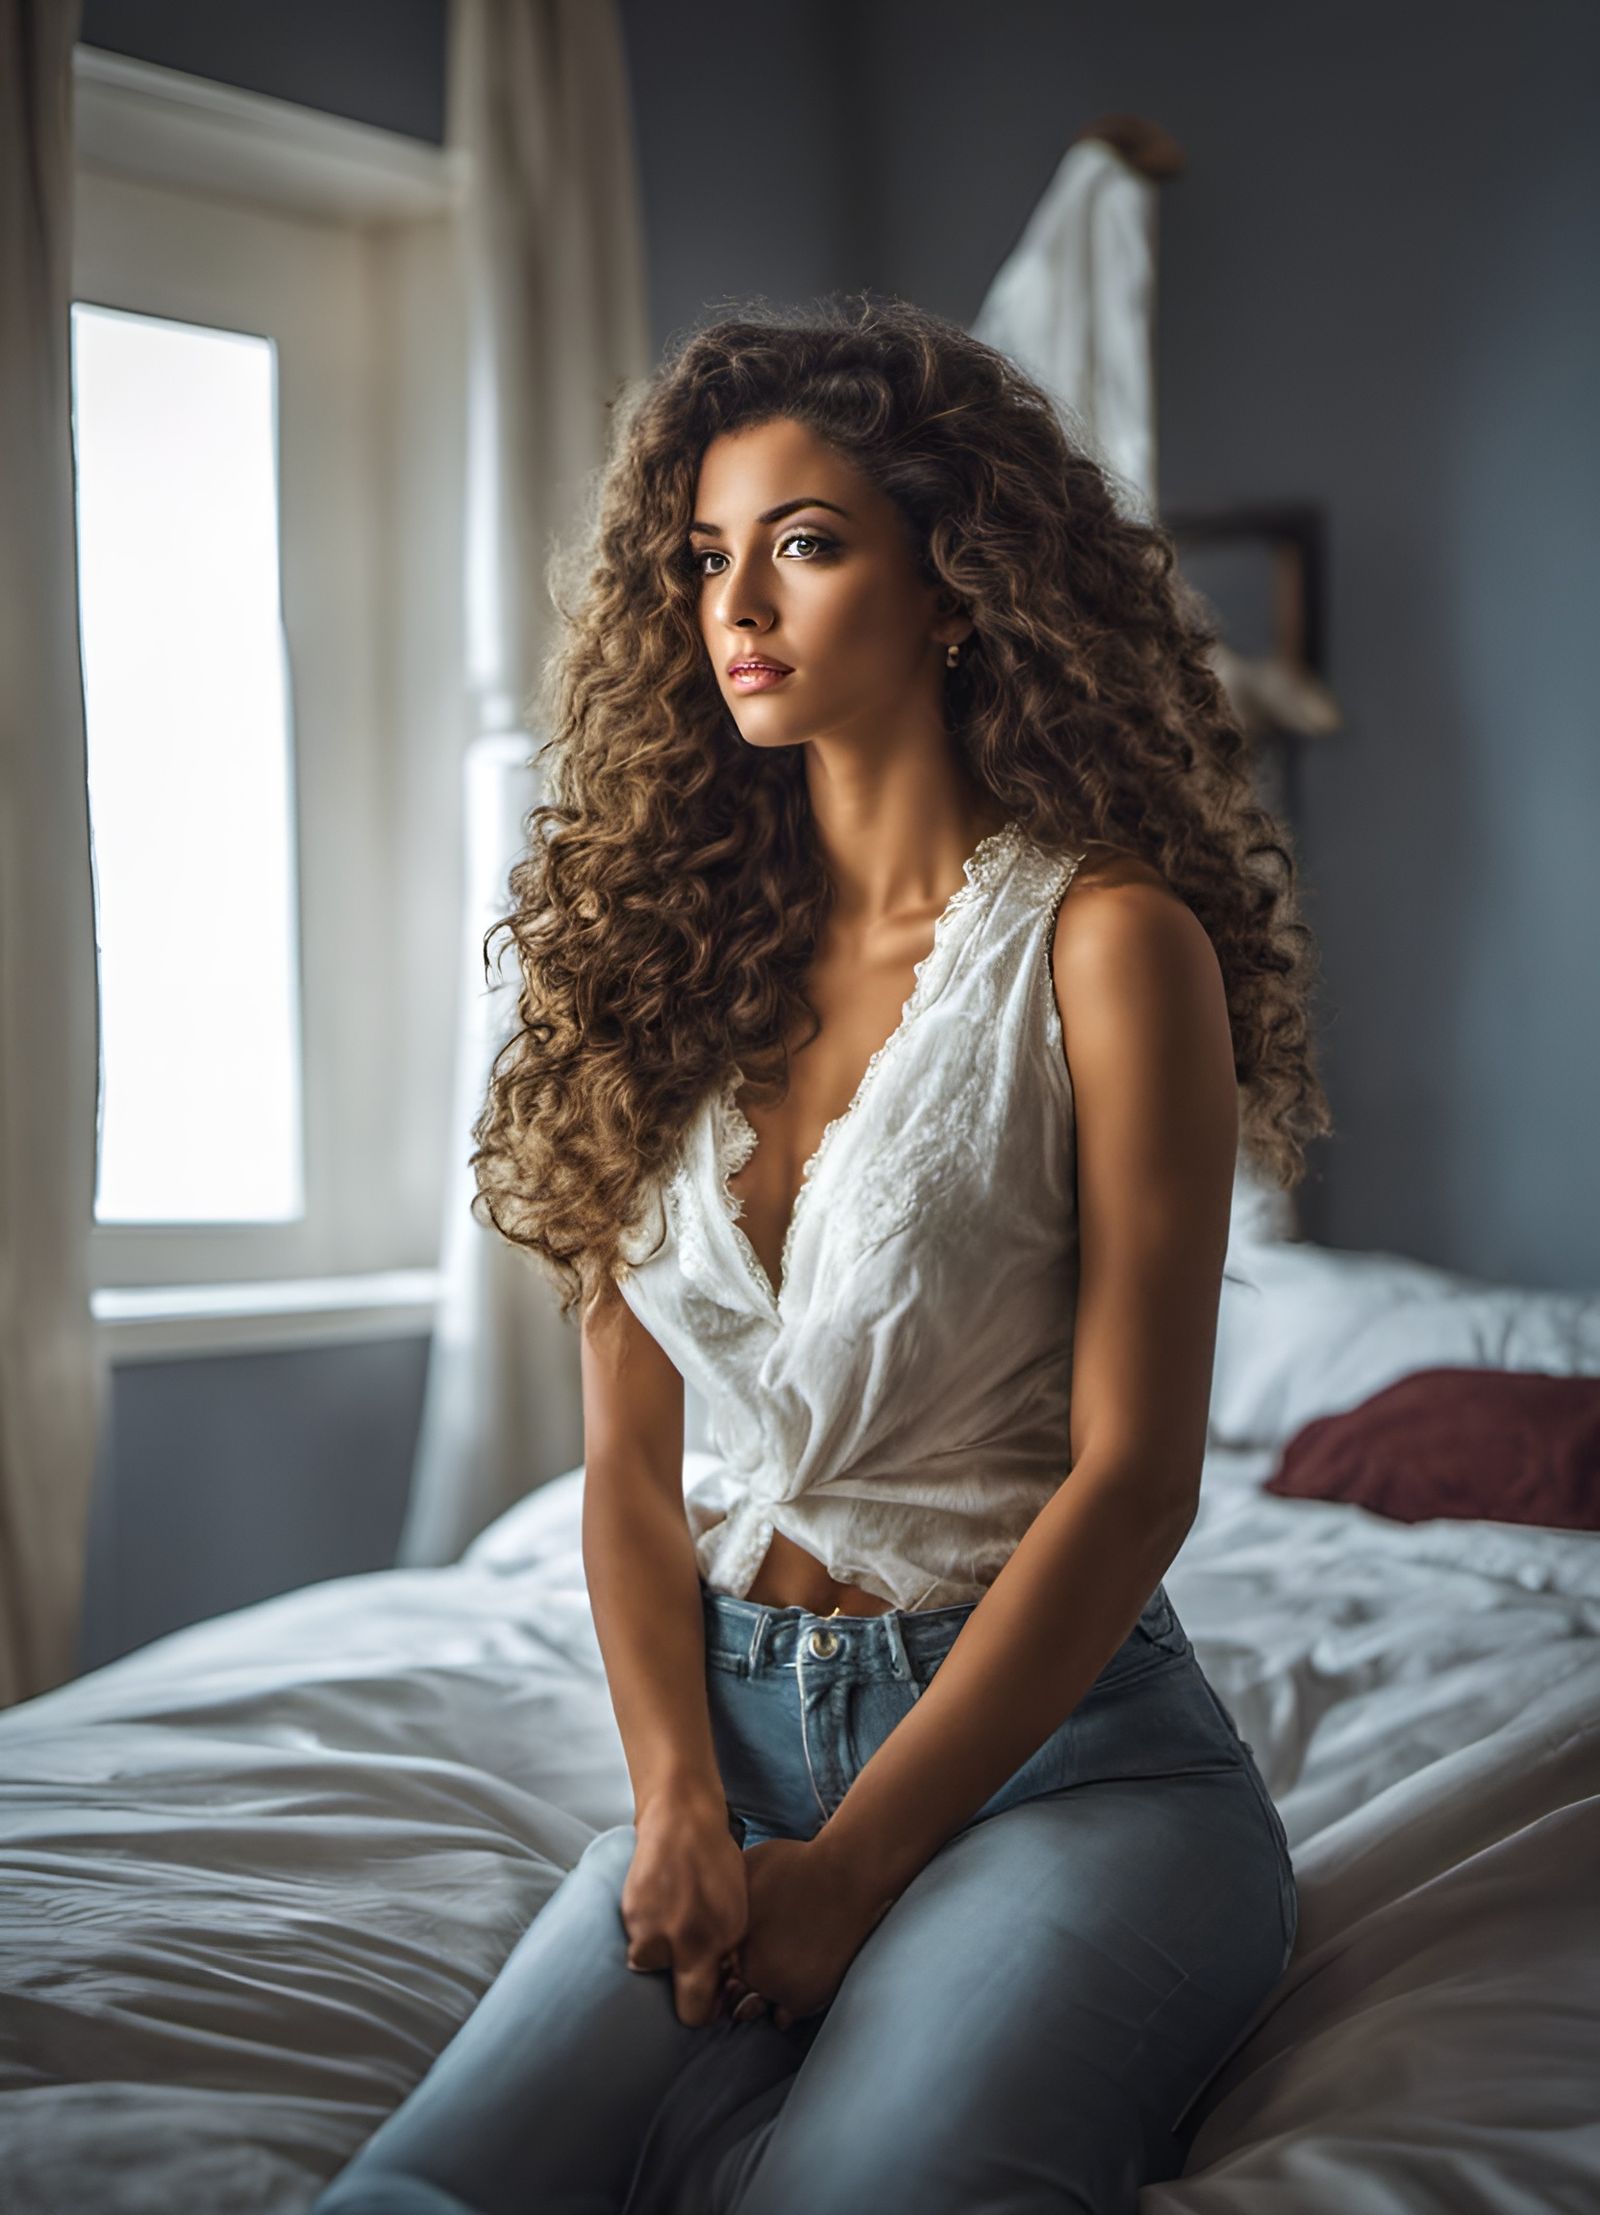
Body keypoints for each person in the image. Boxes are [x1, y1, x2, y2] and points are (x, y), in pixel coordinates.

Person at [314, 292, 1331, 2215]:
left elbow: (1133, 1483)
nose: (738, 607)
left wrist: (856, 1877)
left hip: (1071, 1770)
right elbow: (625, 1473)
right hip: (734, 1755)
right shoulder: (654, 968)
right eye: (708, 557)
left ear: (956, 584)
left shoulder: (1108, 950)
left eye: (806, 542)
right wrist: (682, 1804)